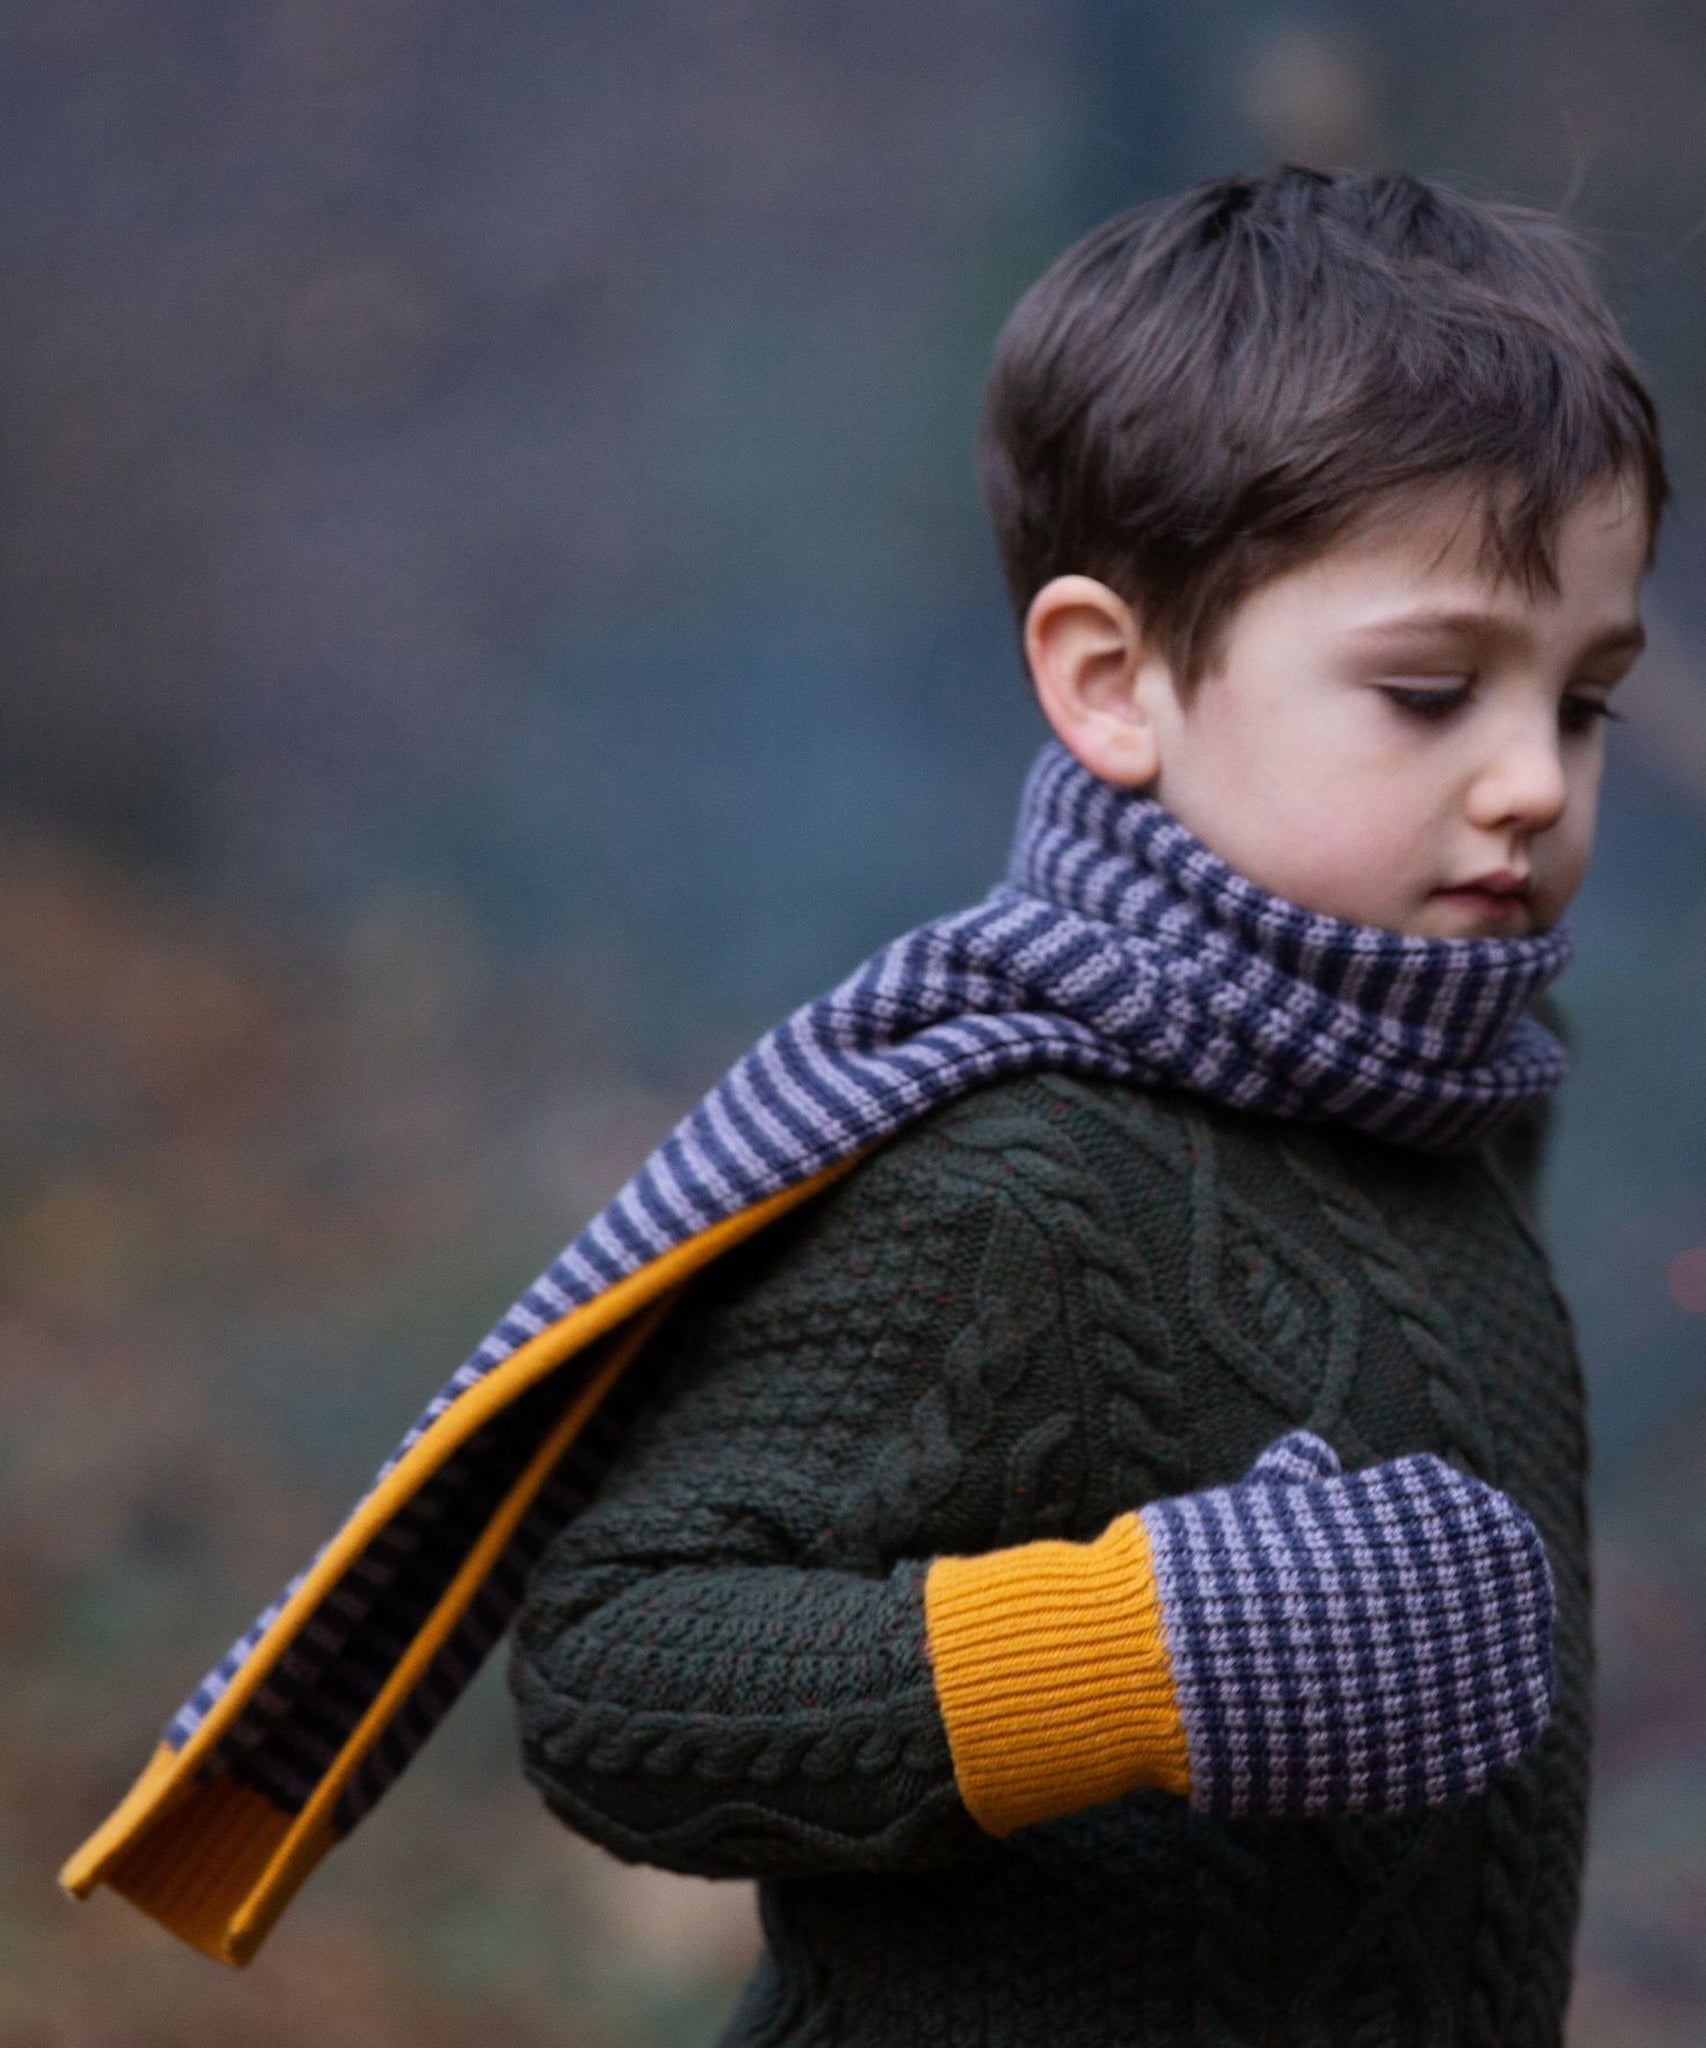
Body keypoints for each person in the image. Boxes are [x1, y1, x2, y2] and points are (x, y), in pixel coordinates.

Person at [505, 166, 1665, 2045]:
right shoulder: (1022, 1176)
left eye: (1584, 702)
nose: (1532, 778)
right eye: (1431, 687)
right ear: (1114, 682)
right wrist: (1134, 1658)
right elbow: (615, 1677)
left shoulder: (1444, 1120)